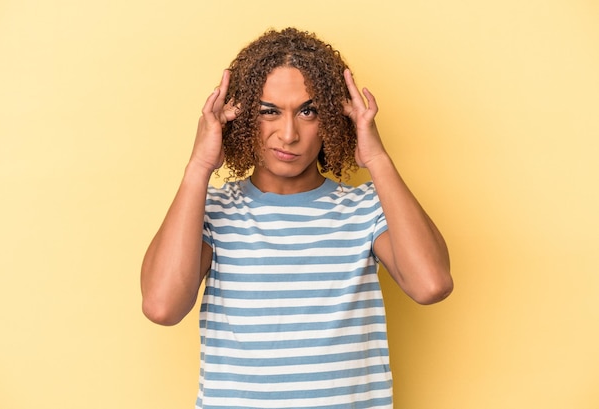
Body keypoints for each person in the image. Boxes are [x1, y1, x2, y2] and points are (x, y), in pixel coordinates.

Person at [141, 27, 453, 409]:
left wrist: (377, 160)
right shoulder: (211, 211)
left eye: (308, 111)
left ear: (334, 120)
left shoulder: (367, 208)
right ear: (238, 118)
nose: (288, 135)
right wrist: (199, 166)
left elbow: (431, 285)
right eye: (268, 111)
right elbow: (162, 307)